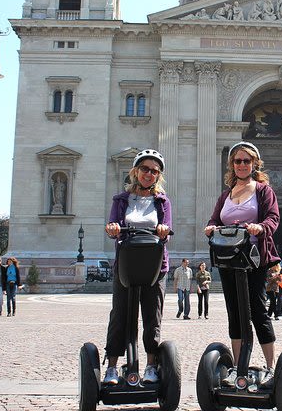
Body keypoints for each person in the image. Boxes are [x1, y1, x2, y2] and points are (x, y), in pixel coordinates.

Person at [204, 141, 280, 388]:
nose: (242, 164)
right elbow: (215, 218)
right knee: (234, 313)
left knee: (257, 310)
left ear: (255, 163)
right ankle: (238, 366)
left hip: (254, 257)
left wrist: (261, 227)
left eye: (247, 160)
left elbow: (273, 218)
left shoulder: (262, 191)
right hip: (228, 258)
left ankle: (270, 367)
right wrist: (210, 227)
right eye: (238, 161)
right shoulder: (226, 194)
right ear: (232, 164)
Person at [103, 149, 172, 385]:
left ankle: (151, 365)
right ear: (135, 171)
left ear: (158, 175)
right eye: (144, 169)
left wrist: (163, 230)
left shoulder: (162, 202)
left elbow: (167, 229)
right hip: (126, 265)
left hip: (155, 266)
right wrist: (112, 228)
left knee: (152, 316)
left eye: (154, 171)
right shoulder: (121, 200)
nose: (149, 174)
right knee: (120, 315)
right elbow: (113, 225)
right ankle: (112, 366)